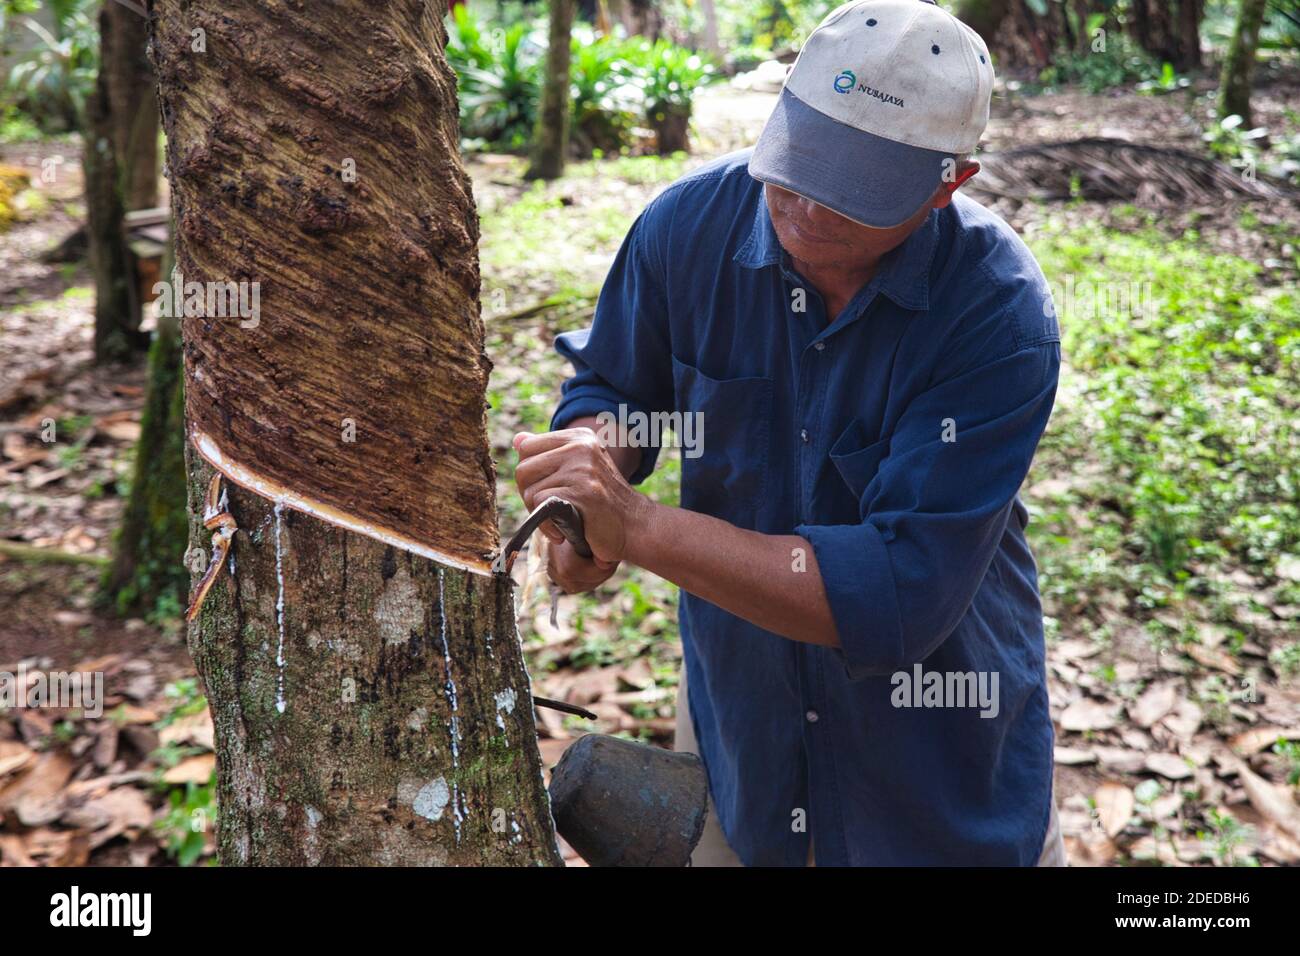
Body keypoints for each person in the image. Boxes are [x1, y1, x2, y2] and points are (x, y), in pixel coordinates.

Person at [513, 0, 1065, 866]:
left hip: (931, 769)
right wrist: (589, 479)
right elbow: (617, 385)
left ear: (950, 181)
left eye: (853, 191)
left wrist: (644, 528)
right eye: (797, 165)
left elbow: (896, 590)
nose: (805, 207)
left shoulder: (997, 315)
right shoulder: (685, 230)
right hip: (745, 723)